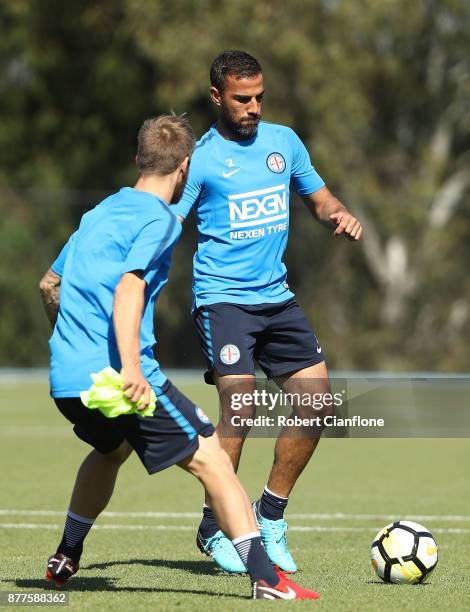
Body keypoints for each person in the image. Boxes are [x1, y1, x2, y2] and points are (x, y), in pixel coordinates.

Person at [38, 115, 320, 600]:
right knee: (213, 460)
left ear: (138, 160)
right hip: (123, 378)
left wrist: (72, 348)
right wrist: (128, 366)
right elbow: (130, 286)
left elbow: (49, 284)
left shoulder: (98, 213)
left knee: (110, 451)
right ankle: (267, 580)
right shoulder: (161, 220)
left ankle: (66, 554)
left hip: (68, 382)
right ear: (185, 166)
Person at [172, 51, 363, 574]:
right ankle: (218, 530)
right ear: (217, 97)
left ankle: (270, 515)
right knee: (241, 407)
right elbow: (166, 223)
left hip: (276, 297)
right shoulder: (201, 158)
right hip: (222, 298)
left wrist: (338, 214)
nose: (253, 107)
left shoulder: (285, 143)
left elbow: (320, 199)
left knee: (320, 406)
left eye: (259, 97)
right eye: (242, 99)